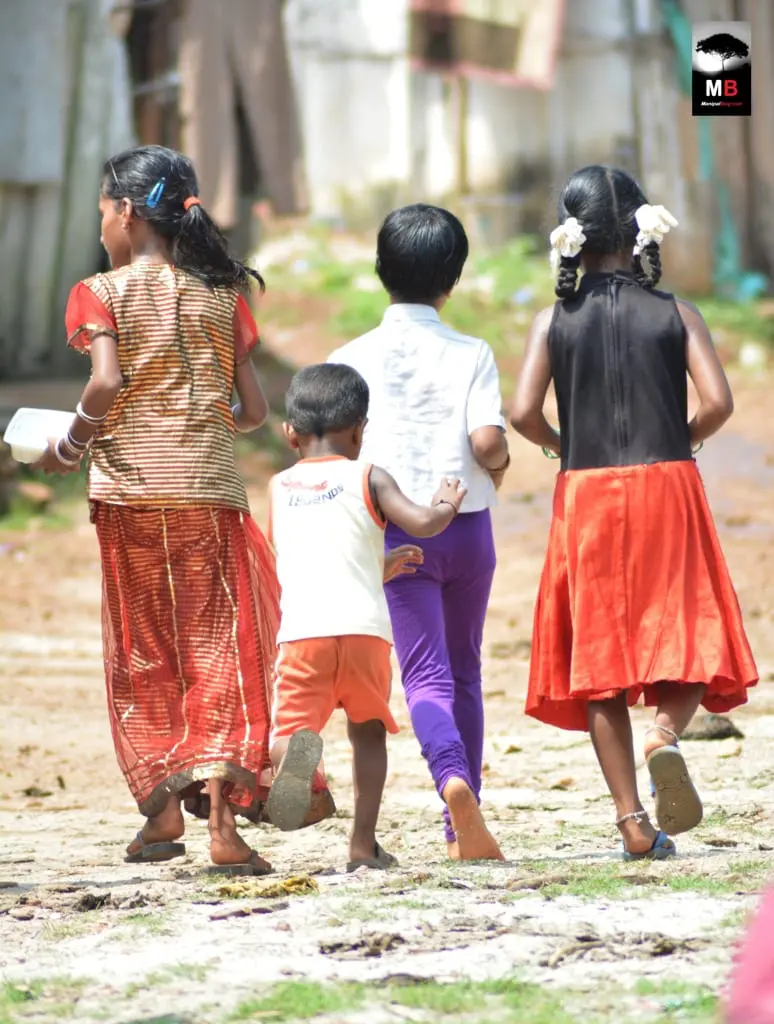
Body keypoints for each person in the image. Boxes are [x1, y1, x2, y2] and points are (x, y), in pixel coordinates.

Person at [34, 145, 280, 875]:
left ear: (128, 214)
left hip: (130, 497)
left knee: (144, 652)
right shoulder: (222, 296)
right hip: (210, 494)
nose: (101, 224)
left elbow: (105, 382)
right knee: (219, 653)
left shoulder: (98, 291)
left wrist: (72, 443)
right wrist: (200, 422)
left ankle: (163, 810)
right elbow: (257, 410)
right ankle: (225, 829)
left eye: (104, 211)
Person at [510, 165, 758, 859]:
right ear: (641, 232)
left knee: (598, 660)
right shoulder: (676, 313)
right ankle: (665, 735)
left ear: (571, 239)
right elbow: (718, 402)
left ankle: (631, 824)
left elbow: (524, 411)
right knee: (691, 625)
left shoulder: (551, 320)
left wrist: (561, 447)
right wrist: (687, 439)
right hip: (668, 483)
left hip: (586, 493)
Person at [328, 205, 509, 861]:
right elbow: (486, 439)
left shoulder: (346, 358)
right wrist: (501, 461)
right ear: (453, 279)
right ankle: (464, 819)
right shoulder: (473, 353)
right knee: (464, 671)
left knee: (423, 675)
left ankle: (451, 780)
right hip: (467, 530)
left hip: (394, 534)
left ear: (381, 272)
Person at [265, 362, 467, 870]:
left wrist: (373, 566)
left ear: (290, 434)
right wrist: (443, 505)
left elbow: (304, 557)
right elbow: (421, 522)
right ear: (359, 430)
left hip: (304, 633)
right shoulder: (368, 474)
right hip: (364, 634)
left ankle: (293, 759)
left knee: (289, 728)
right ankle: (362, 844)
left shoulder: (279, 487)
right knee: (367, 730)